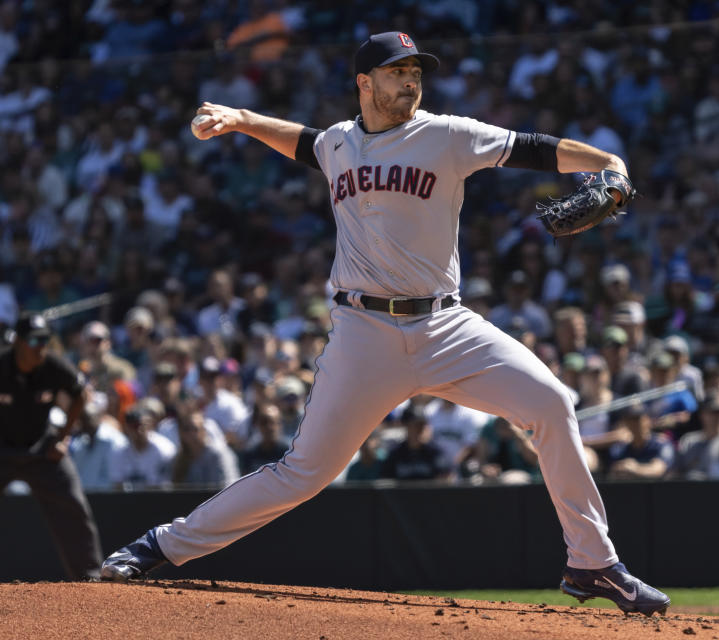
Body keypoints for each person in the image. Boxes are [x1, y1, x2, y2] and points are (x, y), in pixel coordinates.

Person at [100, 32, 670, 615]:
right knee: (304, 471)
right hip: (362, 333)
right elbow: (303, 143)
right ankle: (158, 548)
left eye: (416, 70)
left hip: (446, 327)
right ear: (364, 83)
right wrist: (242, 118)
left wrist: (607, 164)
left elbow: (537, 149)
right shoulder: (339, 143)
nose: (411, 80)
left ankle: (593, 563)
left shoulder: (446, 134)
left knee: (551, 403)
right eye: (398, 71)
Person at [0, 313, 103, 579]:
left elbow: (81, 393)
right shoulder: (2, 365)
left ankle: (89, 578)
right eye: (35, 340)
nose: (41, 346)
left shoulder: (53, 366)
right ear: (18, 343)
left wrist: (63, 437)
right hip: (2, 448)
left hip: (41, 449)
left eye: (45, 339)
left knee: (73, 506)